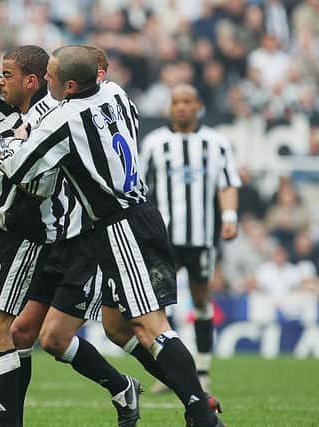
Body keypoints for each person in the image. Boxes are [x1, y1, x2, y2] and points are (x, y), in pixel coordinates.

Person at [0, 45, 224, 427]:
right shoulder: (116, 92)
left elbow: (21, 169)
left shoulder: (65, 119)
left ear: (69, 85)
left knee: (152, 327)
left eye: (51, 77)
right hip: (135, 215)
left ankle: (201, 414)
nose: (46, 82)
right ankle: (189, 401)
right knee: (118, 327)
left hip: (119, 224)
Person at [0, 45, 136, 427]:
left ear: (34, 80)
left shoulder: (55, 117)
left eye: (5, 75)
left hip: (39, 232)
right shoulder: (8, 102)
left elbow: (36, 184)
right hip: (3, 218)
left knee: (19, 332)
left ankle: (177, 389)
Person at [0, 45, 141, 426]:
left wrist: (5, 148)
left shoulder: (66, 115)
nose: (1, 84)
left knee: (61, 338)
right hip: (56, 238)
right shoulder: (64, 107)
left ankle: (160, 388)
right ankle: (12, 420)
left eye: (7, 77)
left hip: (84, 237)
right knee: (22, 331)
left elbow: (31, 175)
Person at [139, 84, 241, 393]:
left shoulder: (217, 142)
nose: (181, 107)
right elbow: (141, 189)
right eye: (175, 102)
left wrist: (229, 217)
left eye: (187, 101)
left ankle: (203, 369)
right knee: (159, 302)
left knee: (200, 298)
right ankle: (167, 372)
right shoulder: (155, 143)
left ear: (198, 105)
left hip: (201, 236)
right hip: (164, 236)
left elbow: (228, 184)